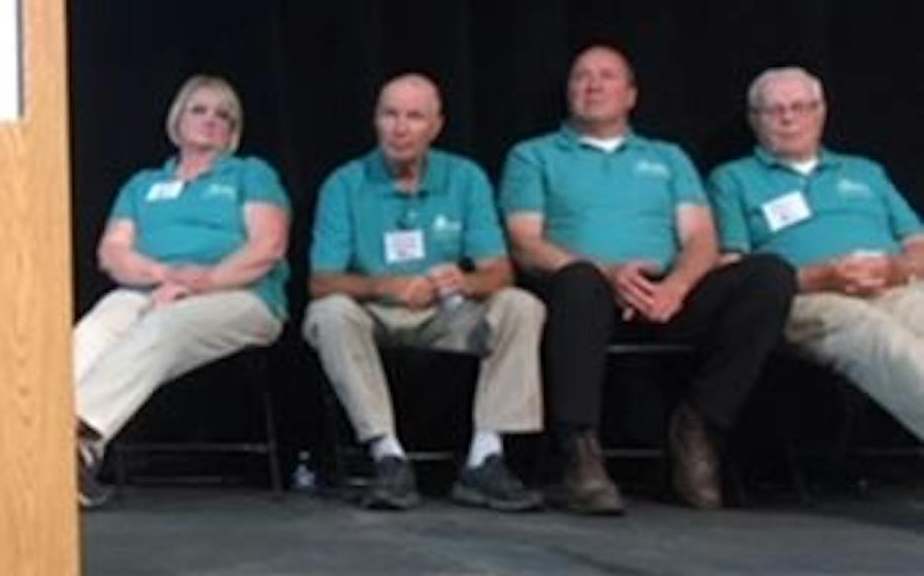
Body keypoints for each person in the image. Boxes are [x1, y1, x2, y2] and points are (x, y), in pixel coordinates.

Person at [500, 46, 795, 514]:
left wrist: (676, 286)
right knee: (578, 282)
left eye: (607, 76)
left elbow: (701, 237)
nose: (593, 85)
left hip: (666, 293)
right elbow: (524, 242)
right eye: (581, 76)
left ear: (631, 95)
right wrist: (609, 273)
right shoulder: (534, 156)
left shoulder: (668, 157)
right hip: (584, 294)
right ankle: (579, 451)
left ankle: (699, 426)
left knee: (770, 274)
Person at [304, 74, 544, 511]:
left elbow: (499, 272)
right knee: (329, 313)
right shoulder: (345, 183)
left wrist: (466, 282)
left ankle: (485, 458)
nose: (400, 128)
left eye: (414, 117)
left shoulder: (465, 178)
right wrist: (384, 286)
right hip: (375, 312)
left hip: (445, 313)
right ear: (375, 120)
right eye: (390, 114)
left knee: (520, 306)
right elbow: (321, 281)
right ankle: (388, 457)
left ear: (435, 126)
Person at [73, 75, 290, 507]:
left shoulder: (250, 173)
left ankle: (74, 439)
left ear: (233, 131)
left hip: (240, 295)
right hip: (154, 289)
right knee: (100, 323)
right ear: (178, 120)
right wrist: (165, 274)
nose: (211, 120)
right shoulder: (143, 185)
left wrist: (199, 284)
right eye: (199, 110)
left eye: (223, 115)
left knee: (164, 326)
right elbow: (112, 253)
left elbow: (267, 247)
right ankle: (42, 438)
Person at [708, 67, 924, 443]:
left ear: (820, 112)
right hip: (806, 298)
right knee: (877, 335)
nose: (788, 118)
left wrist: (894, 269)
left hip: (892, 285)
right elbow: (733, 270)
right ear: (754, 120)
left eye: (799, 107)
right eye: (774, 110)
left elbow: (918, 245)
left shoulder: (866, 171)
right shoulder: (732, 179)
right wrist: (820, 276)